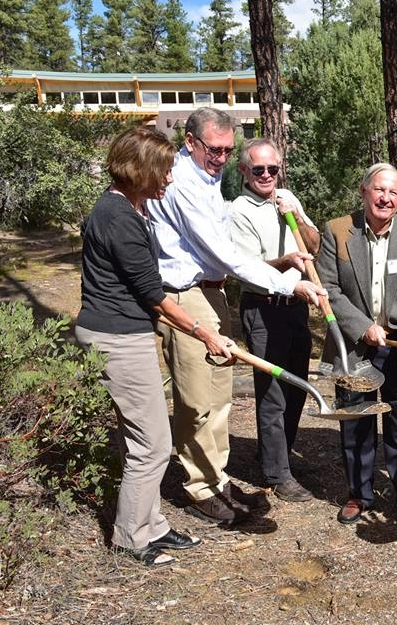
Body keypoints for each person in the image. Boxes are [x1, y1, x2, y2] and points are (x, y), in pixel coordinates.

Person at [147, 108, 325, 526]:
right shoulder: (182, 183)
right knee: (195, 399)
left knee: (219, 396)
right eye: (215, 149)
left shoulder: (209, 182)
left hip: (213, 295)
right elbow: (222, 252)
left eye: (228, 151)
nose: (221, 158)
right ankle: (200, 487)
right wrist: (290, 283)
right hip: (184, 296)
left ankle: (218, 477)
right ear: (190, 142)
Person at [75, 127, 233, 567]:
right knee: (152, 444)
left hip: (126, 331)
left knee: (146, 438)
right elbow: (153, 293)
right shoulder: (118, 217)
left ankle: (154, 525)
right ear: (139, 170)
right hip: (117, 338)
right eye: (163, 171)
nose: (169, 179)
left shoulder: (128, 209)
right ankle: (131, 537)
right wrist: (204, 331)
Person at [315, 163, 397, 537]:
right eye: (379, 190)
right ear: (363, 190)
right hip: (354, 347)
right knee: (356, 425)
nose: (386, 198)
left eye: (393, 193)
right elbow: (328, 290)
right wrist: (362, 327)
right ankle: (359, 493)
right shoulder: (337, 232)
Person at [229, 138, 321, 503]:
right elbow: (246, 269)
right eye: (258, 169)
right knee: (273, 392)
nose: (266, 175)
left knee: (297, 384)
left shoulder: (287, 198)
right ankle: (277, 474)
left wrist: (297, 214)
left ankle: (279, 454)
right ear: (244, 171)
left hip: (295, 305)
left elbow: (313, 245)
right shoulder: (240, 210)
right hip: (263, 307)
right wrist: (285, 261)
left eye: (272, 168)